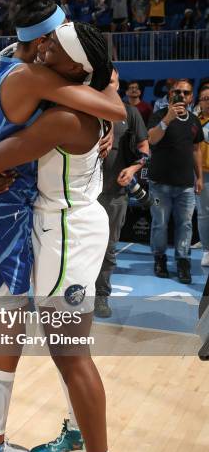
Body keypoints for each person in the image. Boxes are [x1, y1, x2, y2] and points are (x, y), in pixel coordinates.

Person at [0, 0, 125, 452]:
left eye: (60, 45)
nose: (49, 47)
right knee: (3, 327)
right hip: (12, 214)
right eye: (51, 39)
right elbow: (112, 101)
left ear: (76, 72)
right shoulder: (34, 72)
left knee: (40, 340)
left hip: (57, 225)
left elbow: (110, 104)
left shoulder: (33, 76)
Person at [94, 103, 149, 318]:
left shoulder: (129, 113)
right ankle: (76, 293)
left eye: (113, 80)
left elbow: (145, 148)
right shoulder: (84, 106)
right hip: (81, 194)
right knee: (75, 247)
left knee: (107, 248)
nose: (108, 83)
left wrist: (134, 167)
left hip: (114, 194)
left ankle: (101, 294)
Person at [148, 79, 204, 284]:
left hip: (186, 186)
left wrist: (199, 177)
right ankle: (159, 259)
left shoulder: (195, 121)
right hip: (159, 185)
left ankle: (183, 261)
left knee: (185, 225)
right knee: (159, 224)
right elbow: (151, 139)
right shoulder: (158, 115)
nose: (181, 95)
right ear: (170, 94)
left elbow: (196, 150)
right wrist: (168, 119)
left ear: (191, 97)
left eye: (186, 92)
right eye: (177, 92)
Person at [196, 86, 209, 266]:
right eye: (204, 98)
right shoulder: (194, 120)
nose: (207, 101)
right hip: (203, 173)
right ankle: (207, 249)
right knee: (204, 214)